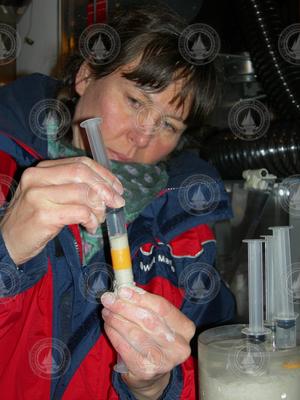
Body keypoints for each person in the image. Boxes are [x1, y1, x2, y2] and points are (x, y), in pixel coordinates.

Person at [0, 4, 235, 400]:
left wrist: (154, 387)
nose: (142, 137)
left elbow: (217, 363)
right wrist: (6, 249)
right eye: (136, 101)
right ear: (86, 74)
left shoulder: (185, 236)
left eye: (168, 124)